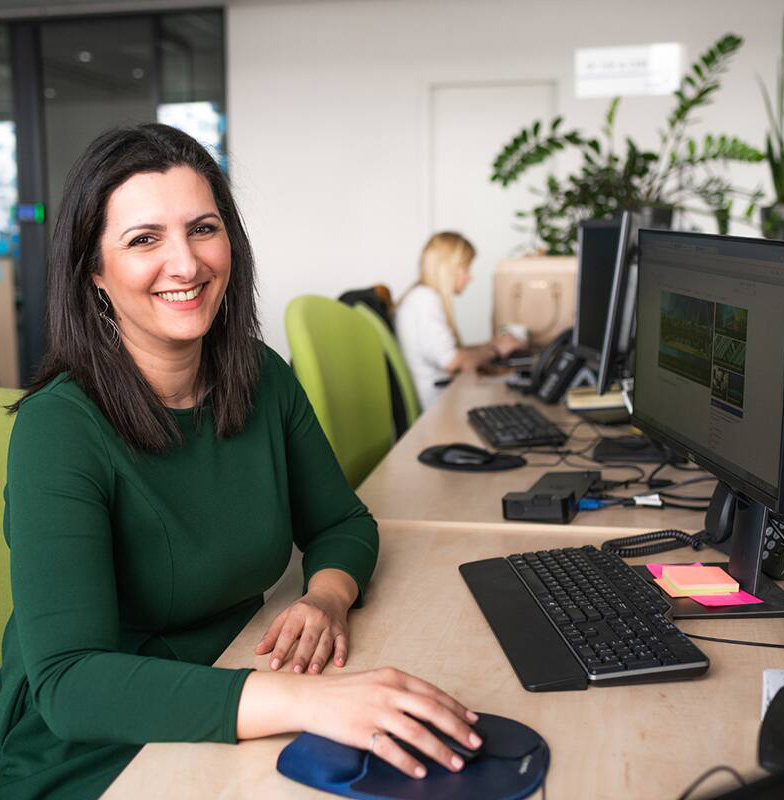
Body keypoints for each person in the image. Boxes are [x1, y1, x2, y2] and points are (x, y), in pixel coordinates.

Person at [0, 124, 481, 800]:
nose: (187, 264)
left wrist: (326, 598)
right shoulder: (60, 426)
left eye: (203, 229)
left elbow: (342, 522)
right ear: (94, 273)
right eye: (144, 240)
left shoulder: (260, 375)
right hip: (97, 742)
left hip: (246, 680)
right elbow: (72, 683)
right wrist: (309, 703)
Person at [395, 231, 525, 409]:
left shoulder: (421, 297)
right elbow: (454, 362)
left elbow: (451, 353)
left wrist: (489, 345)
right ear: (448, 268)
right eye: (466, 269)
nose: (469, 277)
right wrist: (497, 349)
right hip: (437, 409)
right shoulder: (425, 300)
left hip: (443, 402)